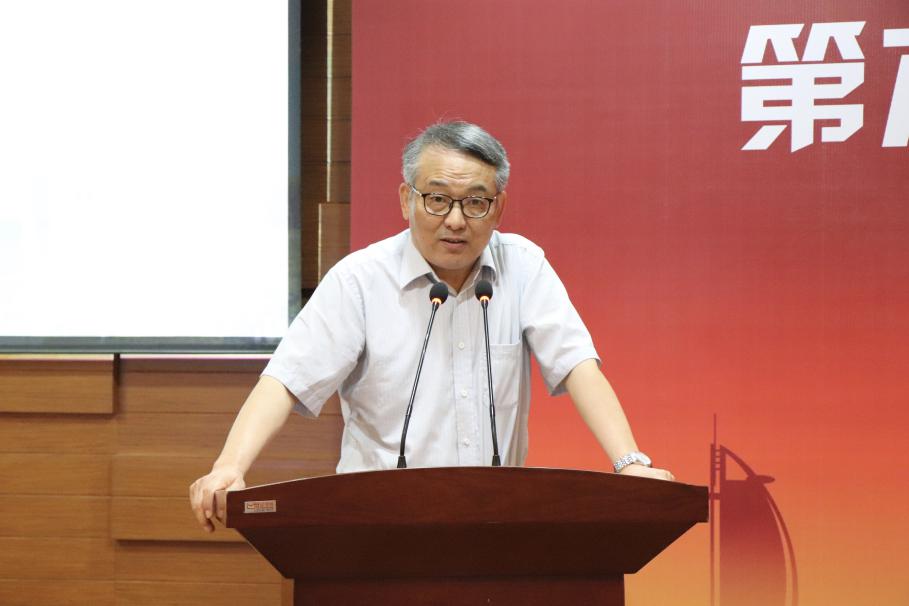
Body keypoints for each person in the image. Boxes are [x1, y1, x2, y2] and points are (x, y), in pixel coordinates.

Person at [189, 121, 674, 532]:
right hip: (377, 524)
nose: (456, 221)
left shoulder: (524, 267)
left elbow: (577, 366)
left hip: (495, 522)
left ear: (499, 208)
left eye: (475, 203)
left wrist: (629, 462)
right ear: (407, 199)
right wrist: (229, 466)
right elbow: (285, 380)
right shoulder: (360, 280)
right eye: (437, 199)